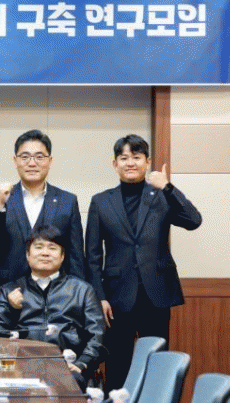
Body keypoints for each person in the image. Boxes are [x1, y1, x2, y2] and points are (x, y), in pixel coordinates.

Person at [85, 134, 202, 391]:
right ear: (114, 164)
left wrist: (168, 187)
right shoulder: (101, 201)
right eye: (124, 158)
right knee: (117, 364)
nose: (130, 163)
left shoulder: (161, 196)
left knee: (157, 363)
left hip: (156, 292)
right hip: (117, 297)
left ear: (147, 162)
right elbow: (92, 256)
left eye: (136, 157)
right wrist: (99, 297)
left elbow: (193, 220)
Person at [0, 224, 105, 391]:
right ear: (28, 255)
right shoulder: (9, 290)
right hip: (20, 369)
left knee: (69, 381)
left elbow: (97, 335)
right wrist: (11, 310)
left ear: (62, 256)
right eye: (39, 247)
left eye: (52, 248)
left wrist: (82, 363)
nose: (45, 253)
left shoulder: (83, 291)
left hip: (67, 370)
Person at [0, 129, 84, 309]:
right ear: (15, 161)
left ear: (50, 161)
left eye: (39, 157)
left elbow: (75, 254)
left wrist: (78, 297)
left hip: (55, 294)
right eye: (25, 157)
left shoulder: (67, 201)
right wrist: (0, 205)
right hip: (8, 289)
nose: (32, 163)